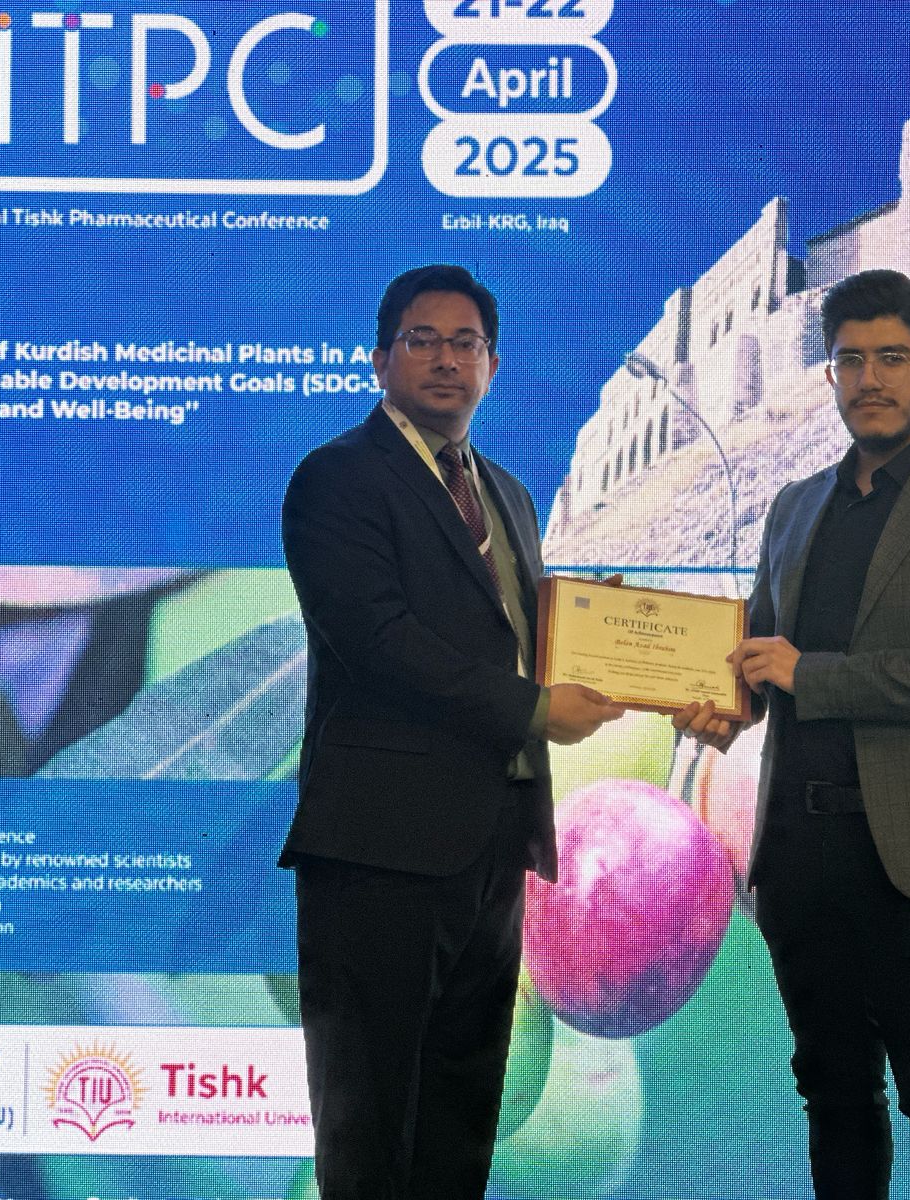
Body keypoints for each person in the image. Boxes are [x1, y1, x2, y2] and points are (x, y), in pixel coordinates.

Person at [678, 268, 910, 1200]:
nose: (870, 378)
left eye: (893, 358)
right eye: (850, 360)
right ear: (829, 373)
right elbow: (760, 663)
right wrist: (714, 703)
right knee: (834, 1096)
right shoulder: (794, 507)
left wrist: (810, 675)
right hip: (803, 856)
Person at [279, 263, 624, 1199]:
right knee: (368, 1119)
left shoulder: (508, 493)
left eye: (465, 343)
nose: (445, 359)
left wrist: (623, 654)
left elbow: (520, 639)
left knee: (461, 1119)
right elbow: (377, 640)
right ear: (379, 359)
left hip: (495, 841)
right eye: (422, 340)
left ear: (492, 366)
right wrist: (534, 710)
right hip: (380, 845)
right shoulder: (337, 478)